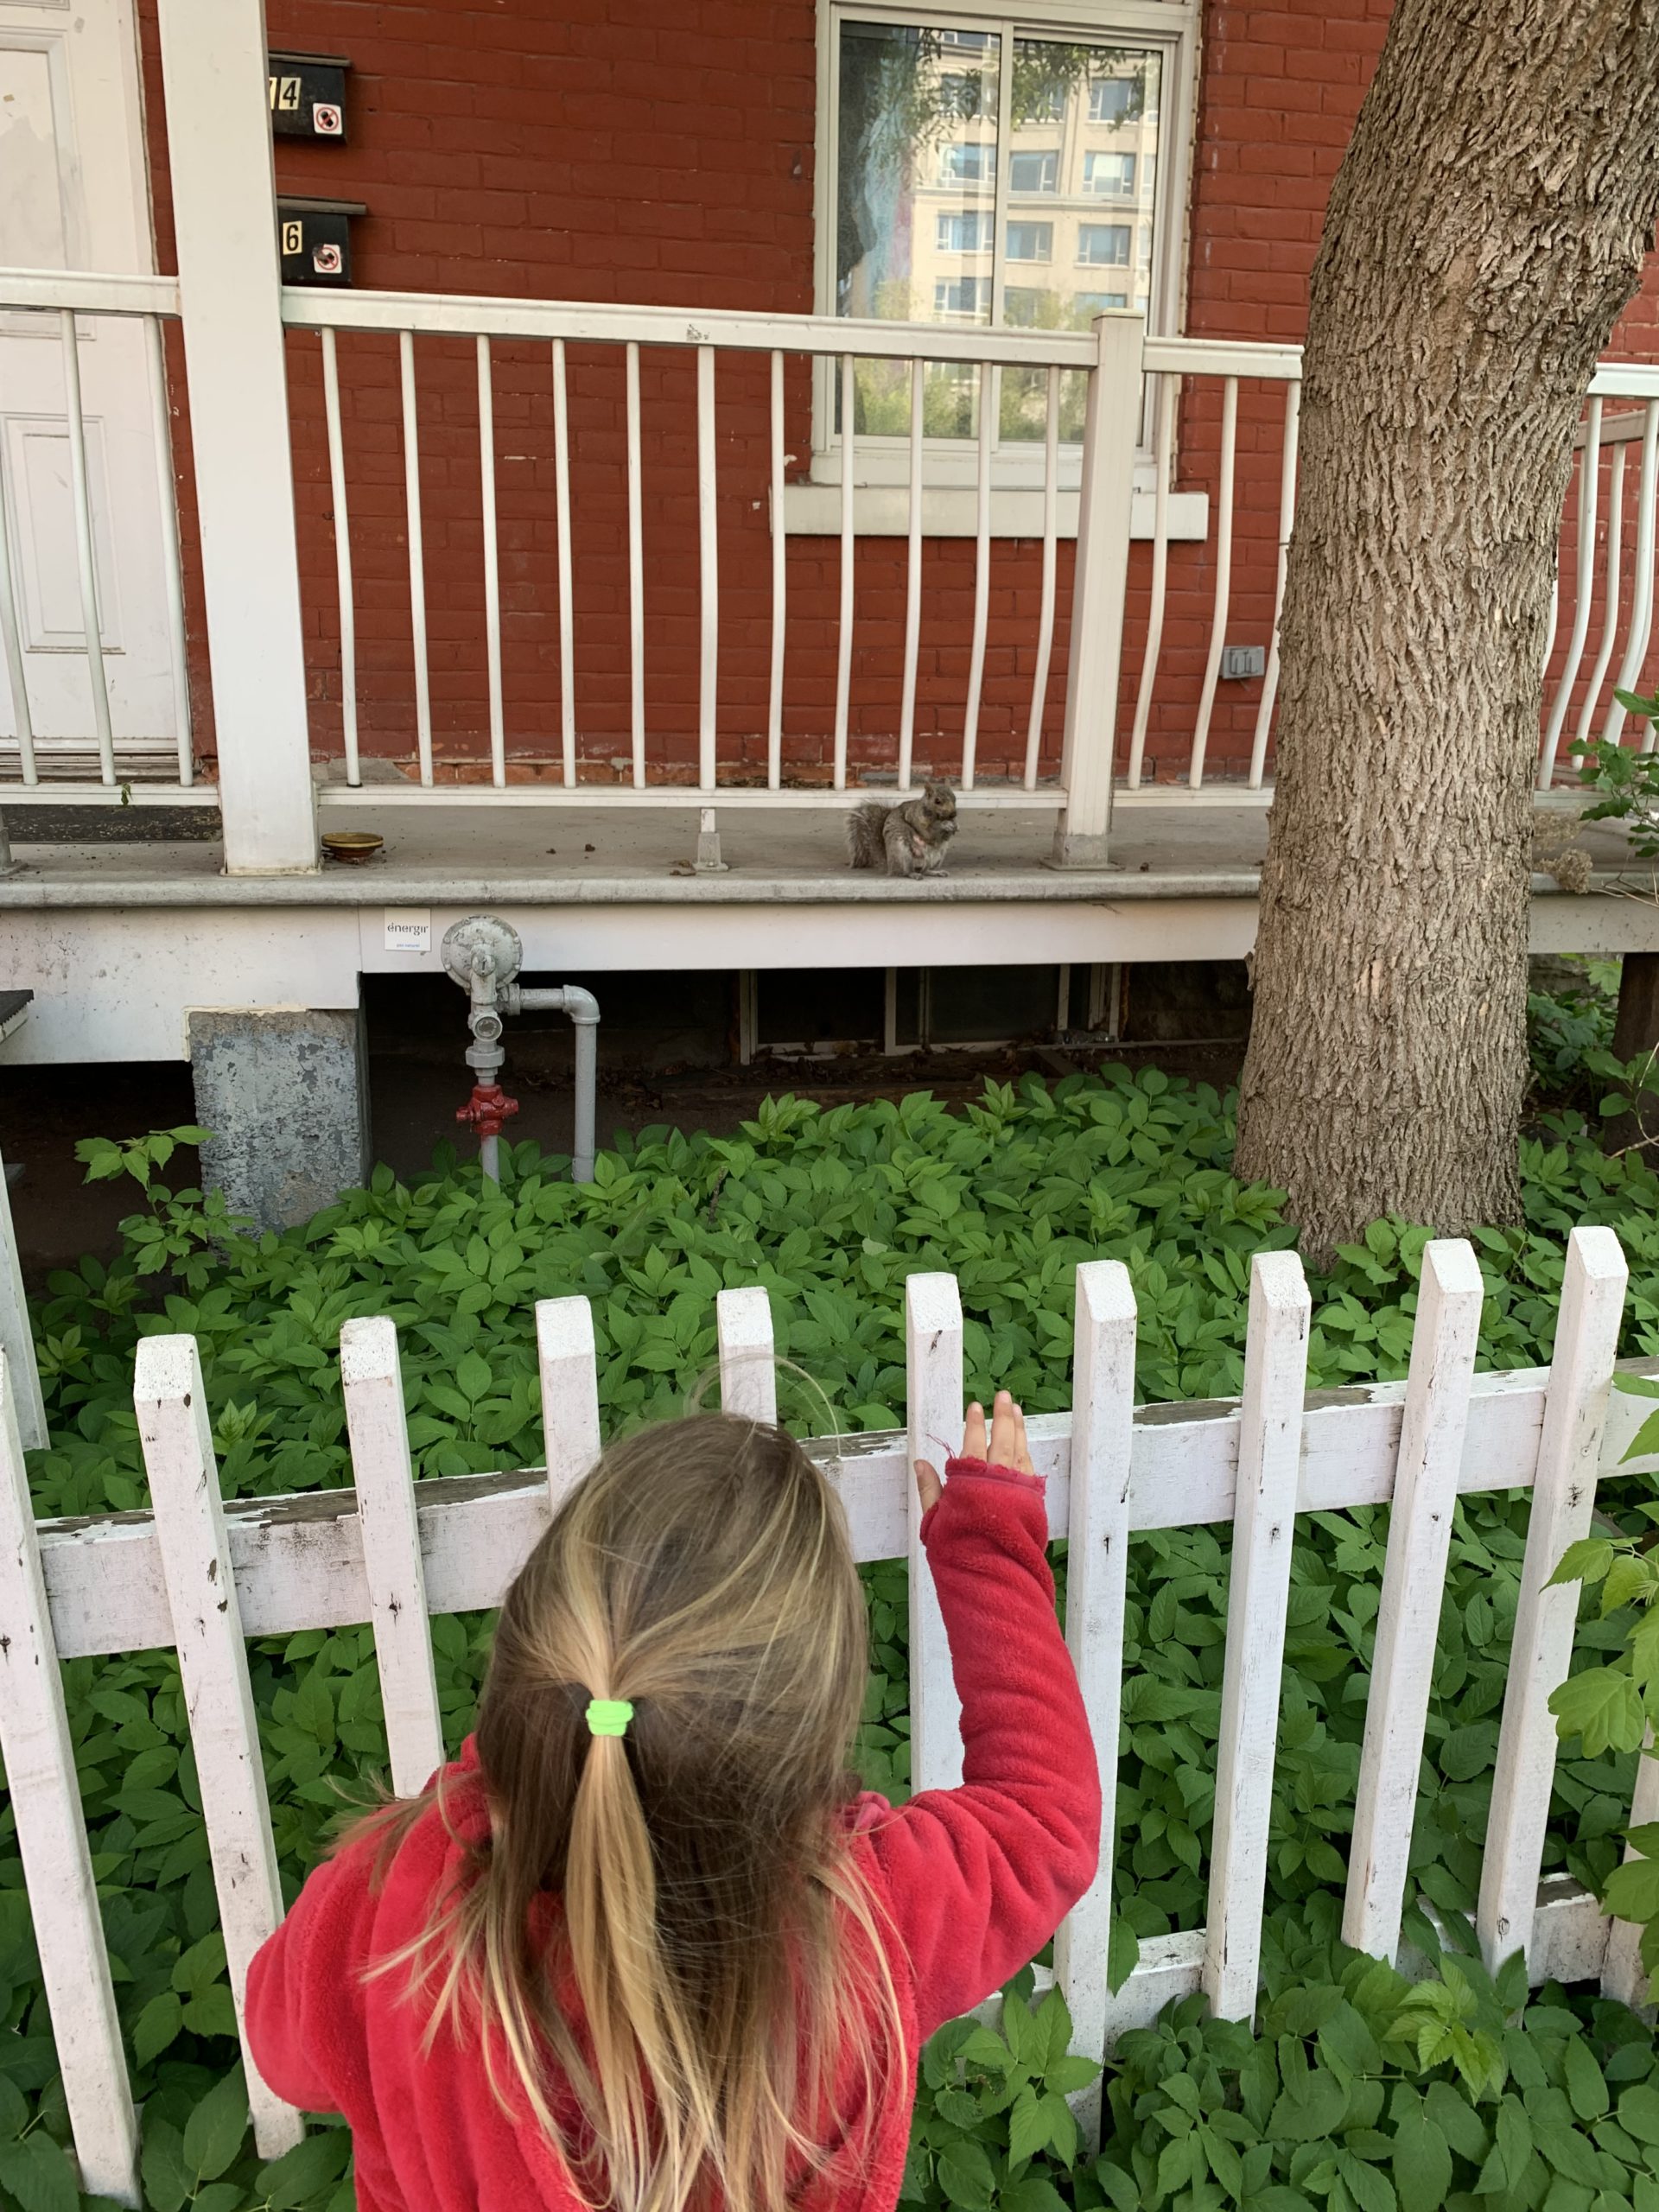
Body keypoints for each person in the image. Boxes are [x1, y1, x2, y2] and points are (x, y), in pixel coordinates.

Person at [245, 1389, 1100, 2212]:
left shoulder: (395, 1912)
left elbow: (284, 2053)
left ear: (526, 1669)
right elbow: (1044, 1816)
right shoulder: (862, 1932)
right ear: (806, 1749)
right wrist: (988, 1549)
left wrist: (491, 1781)